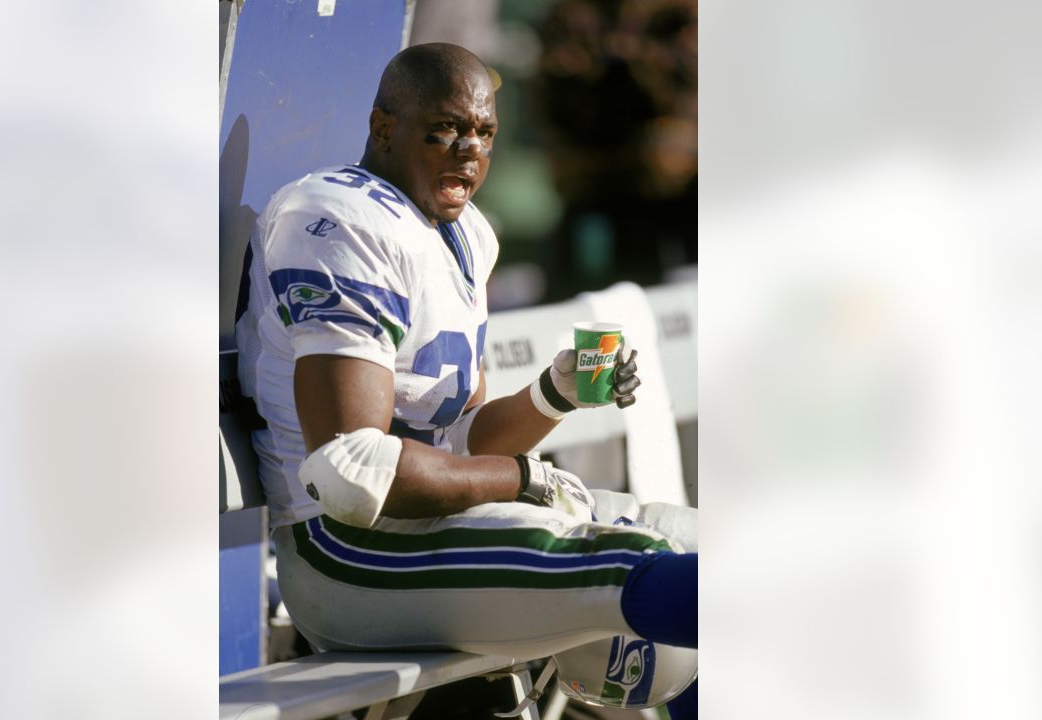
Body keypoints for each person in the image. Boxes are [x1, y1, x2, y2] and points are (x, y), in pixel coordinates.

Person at [235, 42, 696, 662]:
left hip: (434, 527)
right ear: (383, 128)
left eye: (484, 131)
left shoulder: (466, 232)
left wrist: (551, 394)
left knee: (688, 540)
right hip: (348, 553)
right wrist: (523, 479)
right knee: (641, 569)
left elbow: (462, 443)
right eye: (445, 129)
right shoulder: (338, 219)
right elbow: (353, 473)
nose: (470, 149)